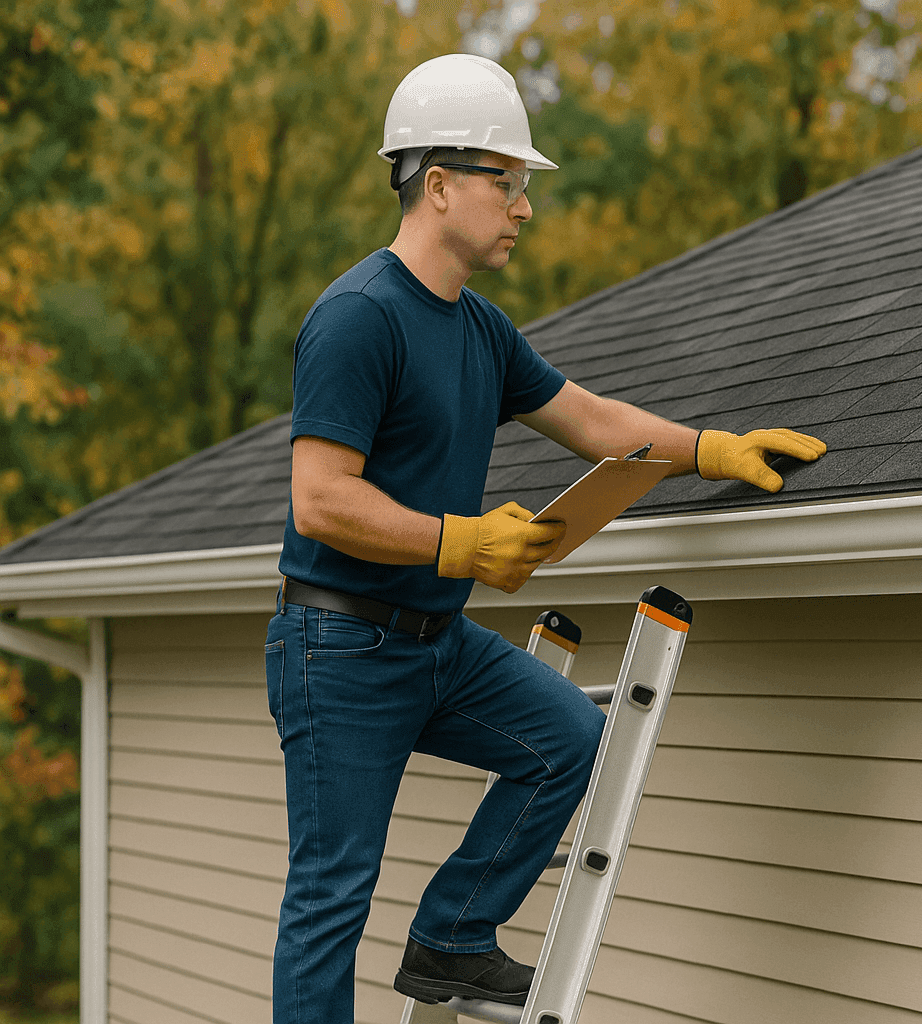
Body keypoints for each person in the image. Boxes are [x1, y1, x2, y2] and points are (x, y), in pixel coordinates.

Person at [263, 52, 827, 1024]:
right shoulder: (358, 319)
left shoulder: (479, 330)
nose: (524, 205)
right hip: (340, 647)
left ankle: (453, 935)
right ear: (438, 184)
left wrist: (714, 449)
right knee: (330, 899)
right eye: (507, 181)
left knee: (572, 738)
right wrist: (460, 545)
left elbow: (592, 419)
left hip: (432, 642)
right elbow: (320, 501)